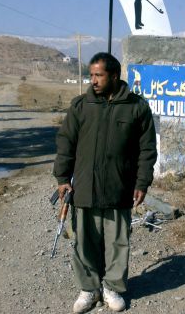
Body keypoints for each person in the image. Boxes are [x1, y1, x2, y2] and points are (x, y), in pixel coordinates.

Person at [54, 52, 157, 313]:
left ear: (114, 75)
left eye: (98, 75)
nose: (93, 81)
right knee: (83, 242)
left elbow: (147, 150)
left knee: (117, 243)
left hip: (119, 188)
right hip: (85, 188)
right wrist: (62, 178)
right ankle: (89, 289)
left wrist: (142, 183)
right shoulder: (80, 106)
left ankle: (112, 288)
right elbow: (66, 144)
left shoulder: (136, 107)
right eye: (91, 75)